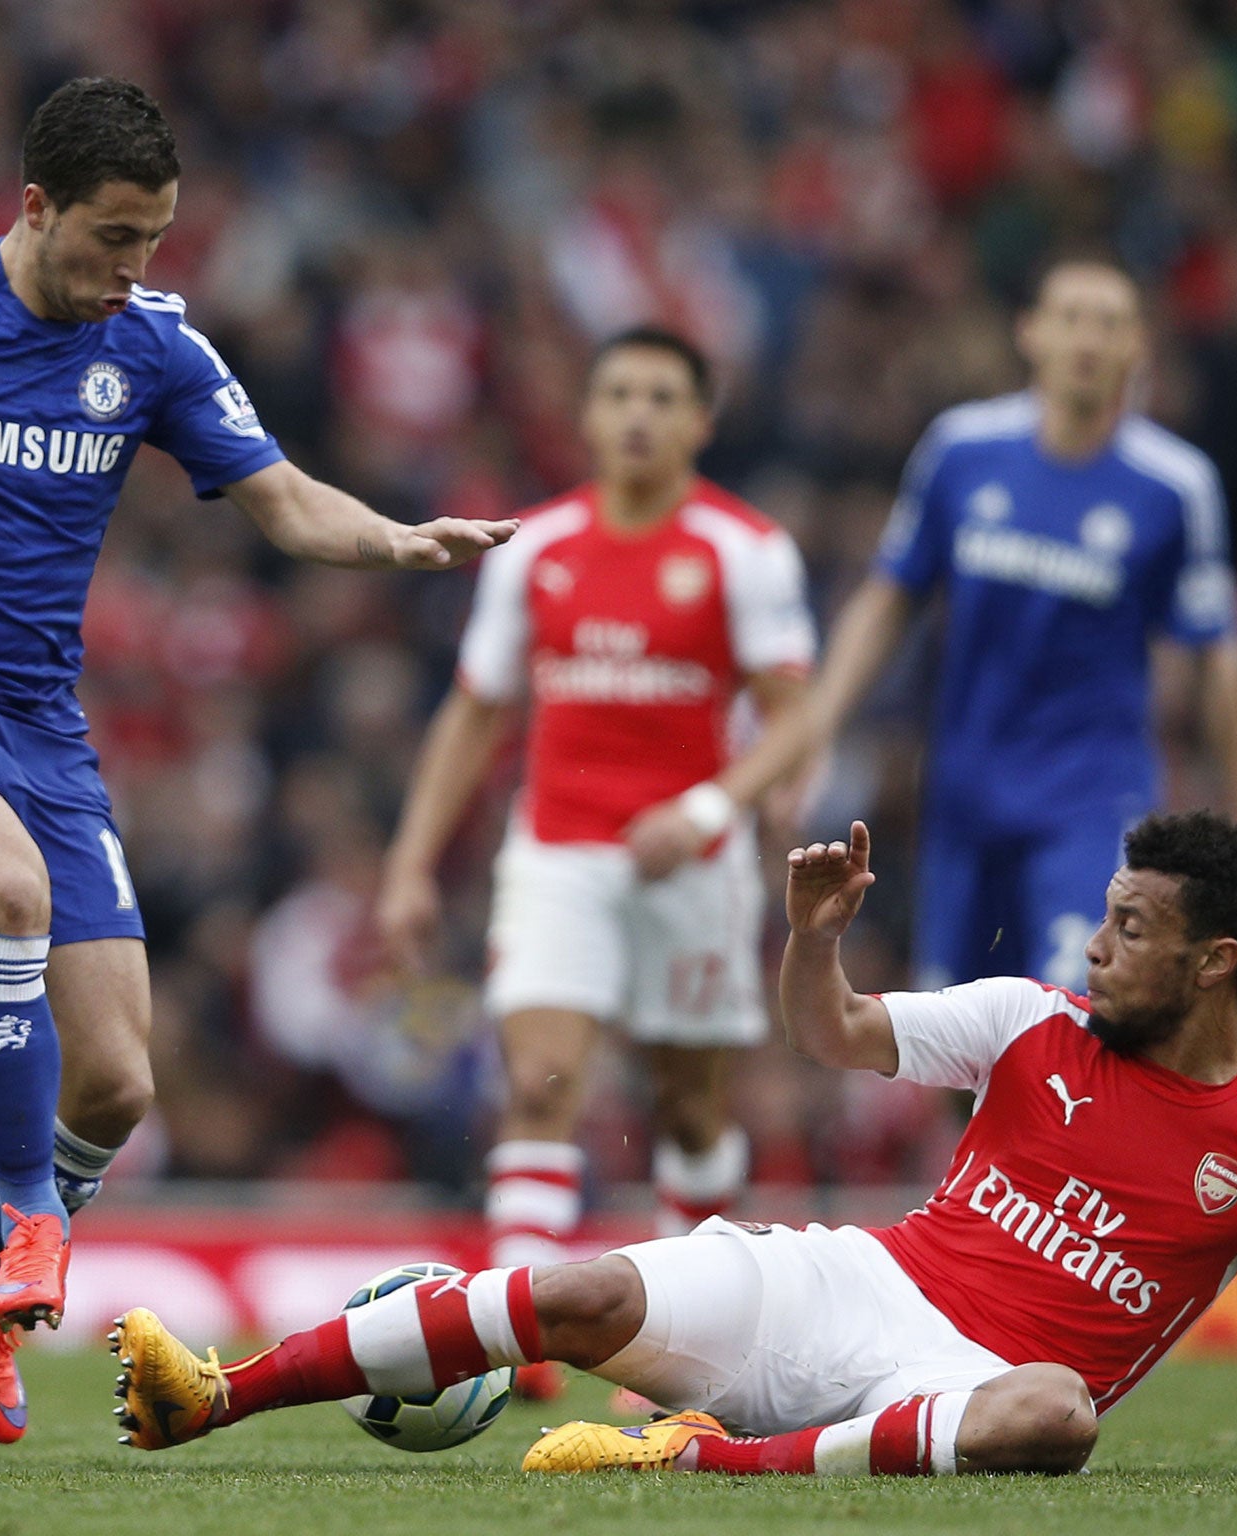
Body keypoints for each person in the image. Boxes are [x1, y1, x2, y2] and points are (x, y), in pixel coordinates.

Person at [0, 77, 514, 1445]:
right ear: (35, 208)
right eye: (113, 238)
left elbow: (290, 502)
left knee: (120, 1083)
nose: (134, 269)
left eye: (156, 241)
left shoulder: (160, 347)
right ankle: (24, 1236)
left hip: (36, 729)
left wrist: (400, 539)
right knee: (6, 895)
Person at [107, 810, 1237, 1484]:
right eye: (1106, 912)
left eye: (1135, 930)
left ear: (1217, 963)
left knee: (1059, 1423)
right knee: (580, 1290)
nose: (1100, 942)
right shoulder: (1029, 1021)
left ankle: (686, 1464)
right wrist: (810, 939)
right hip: (858, 1286)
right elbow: (837, 1035)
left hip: (972, 1381)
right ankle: (212, 1400)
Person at [374, 326, 815, 1392]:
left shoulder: (743, 549)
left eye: (662, 396)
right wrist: (409, 862)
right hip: (558, 849)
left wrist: (711, 809)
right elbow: (476, 713)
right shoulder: (535, 549)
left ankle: (679, 1340)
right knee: (538, 1080)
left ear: (699, 421)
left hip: (691, 863)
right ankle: (513, 1339)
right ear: (584, 413)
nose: (636, 414)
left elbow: (797, 721)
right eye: (617, 392)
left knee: (690, 1110)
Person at [669, 257, 1237, 994]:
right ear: (1031, 333)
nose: (1088, 338)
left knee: (1074, 1011)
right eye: (1071, 318)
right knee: (960, 1036)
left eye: (1109, 322)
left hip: (1089, 797)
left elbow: (1216, 661)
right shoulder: (962, 451)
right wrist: (813, 731)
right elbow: (890, 598)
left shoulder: (1174, 487)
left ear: (1137, 347)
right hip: (963, 793)